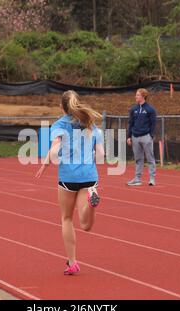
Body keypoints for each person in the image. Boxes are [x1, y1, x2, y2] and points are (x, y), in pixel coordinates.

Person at [35, 90, 104, 276]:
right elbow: (101, 155)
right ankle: (91, 202)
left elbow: (55, 148)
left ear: (61, 107)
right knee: (86, 224)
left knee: (66, 218)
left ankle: (72, 262)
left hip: (68, 178)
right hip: (89, 175)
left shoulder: (59, 125)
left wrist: (46, 162)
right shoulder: (90, 123)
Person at [126, 88, 157, 186]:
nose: (136, 96)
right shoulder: (133, 109)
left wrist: (150, 135)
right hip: (135, 136)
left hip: (146, 137)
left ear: (143, 96)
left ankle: (152, 179)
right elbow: (130, 123)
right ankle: (137, 179)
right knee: (138, 159)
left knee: (150, 158)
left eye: (138, 95)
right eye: (136, 95)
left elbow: (153, 124)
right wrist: (129, 136)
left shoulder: (150, 109)